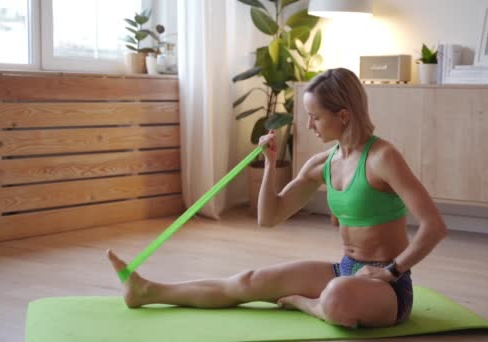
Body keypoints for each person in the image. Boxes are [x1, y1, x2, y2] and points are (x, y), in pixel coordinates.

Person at [107, 67, 447, 328]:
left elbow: (434, 226)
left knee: (336, 298)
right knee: (249, 281)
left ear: (343, 115)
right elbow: (269, 218)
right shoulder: (323, 163)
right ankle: (149, 291)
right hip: (344, 270)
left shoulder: (382, 158)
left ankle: (307, 304)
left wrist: (391, 271)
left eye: (316, 116)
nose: (310, 125)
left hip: (387, 287)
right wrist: (269, 163)